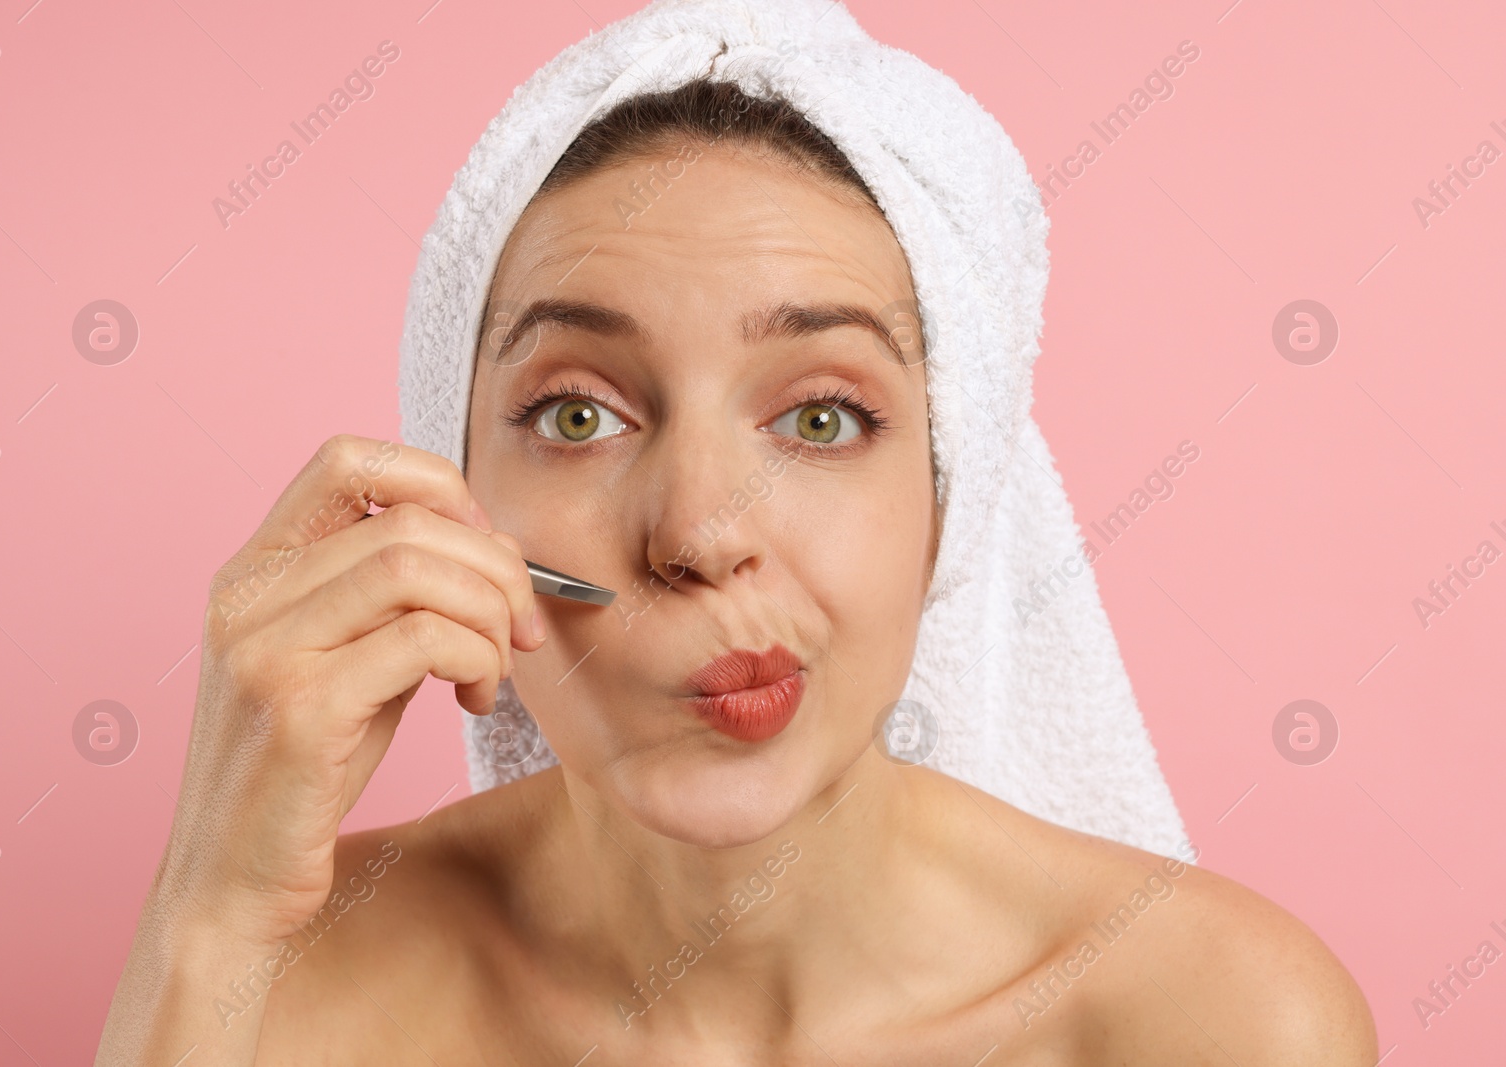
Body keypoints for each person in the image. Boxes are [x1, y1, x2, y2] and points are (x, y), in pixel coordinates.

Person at [95, 73, 1376, 1066]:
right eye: (580, 414)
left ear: (952, 494)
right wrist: (205, 921)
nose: (702, 533)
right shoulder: (286, 987)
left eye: (820, 417)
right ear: (457, 491)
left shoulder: (1215, 1018)